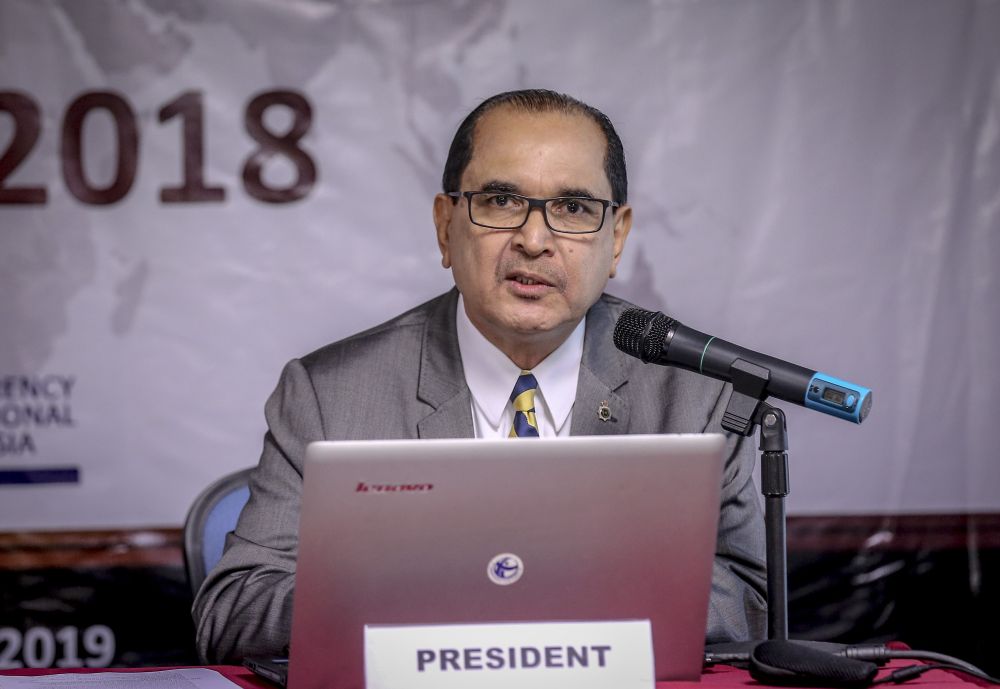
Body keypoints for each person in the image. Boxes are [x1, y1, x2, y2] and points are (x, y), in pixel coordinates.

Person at [192, 89, 767, 664]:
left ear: (615, 239)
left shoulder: (699, 395)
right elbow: (232, 613)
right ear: (446, 227)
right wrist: (438, 596)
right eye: (499, 200)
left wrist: (548, 593)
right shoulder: (328, 395)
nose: (535, 240)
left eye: (572, 208)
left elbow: (753, 598)